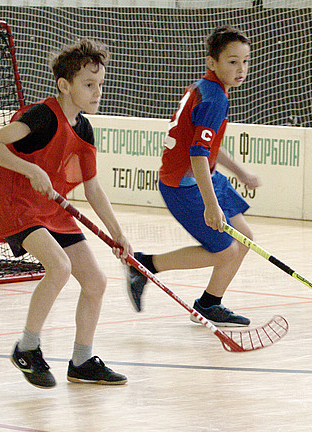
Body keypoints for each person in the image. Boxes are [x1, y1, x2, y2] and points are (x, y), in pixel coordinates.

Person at [0, 39, 130, 388]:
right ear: (65, 85)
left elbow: (92, 188)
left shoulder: (84, 128)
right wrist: (29, 169)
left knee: (95, 281)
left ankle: (82, 360)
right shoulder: (42, 117)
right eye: (88, 85)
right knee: (59, 266)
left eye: (100, 84)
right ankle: (27, 348)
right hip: (19, 208)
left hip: (54, 211)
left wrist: (118, 234)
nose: (97, 92)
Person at [126, 25, 260, 327]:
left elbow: (206, 148)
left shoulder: (207, 88)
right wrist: (211, 206)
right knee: (225, 250)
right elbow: (197, 154)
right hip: (184, 186)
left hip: (203, 178)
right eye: (232, 62)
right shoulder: (214, 99)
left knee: (245, 238)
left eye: (246, 61)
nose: (241, 69)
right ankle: (146, 265)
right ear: (212, 63)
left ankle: (210, 303)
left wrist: (241, 173)